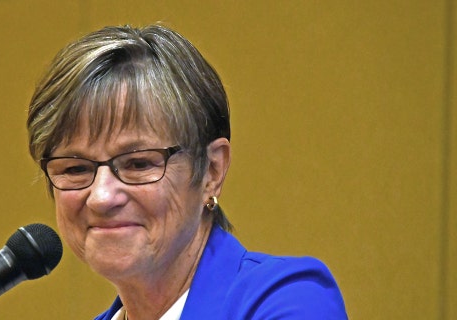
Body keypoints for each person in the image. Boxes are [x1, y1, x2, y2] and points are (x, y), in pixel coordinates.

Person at [26, 24, 347, 319]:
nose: (101, 197)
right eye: (76, 168)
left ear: (212, 171)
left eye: (138, 163)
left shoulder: (287, 300)